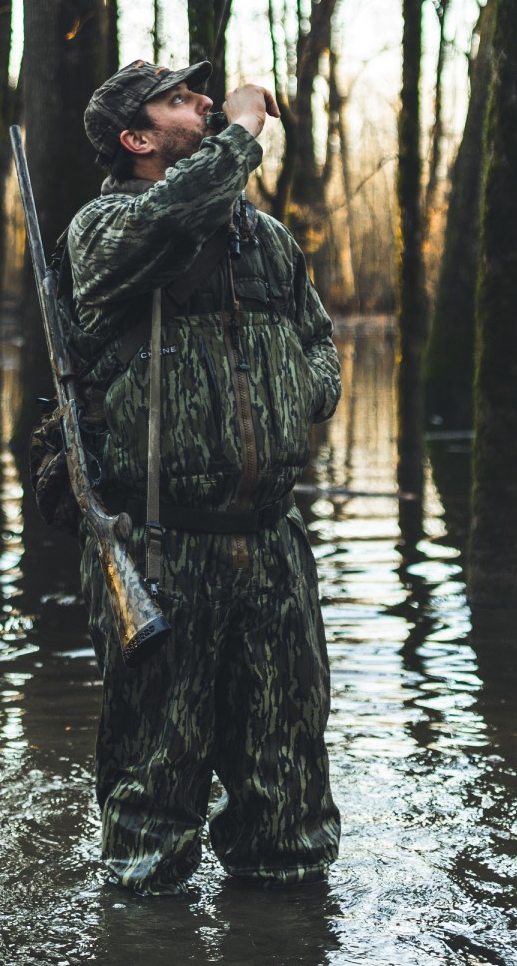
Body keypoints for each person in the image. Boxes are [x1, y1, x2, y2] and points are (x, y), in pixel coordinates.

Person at [66, 56, 342, 891]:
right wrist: (247, 129)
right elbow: (171, 218)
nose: (206, 105)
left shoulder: (265, 240)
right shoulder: (106, 229)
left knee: (289, 805)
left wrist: (301, 395)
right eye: (181, 101)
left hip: (271, 548)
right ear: (138, 137)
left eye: (205, 95)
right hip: (158, 549)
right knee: (152, 816)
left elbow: (318, 338)